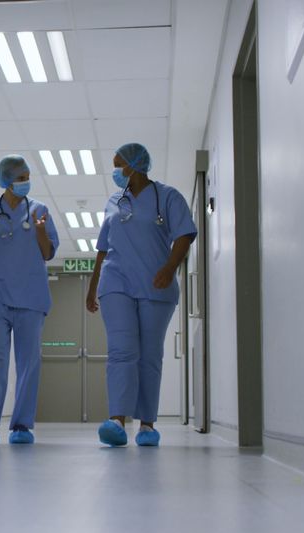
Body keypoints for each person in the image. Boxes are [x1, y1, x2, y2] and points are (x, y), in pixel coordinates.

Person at [86, 143, 197, 447]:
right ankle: (117, 420)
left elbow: (184, 235)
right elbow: (103, 247)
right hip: (115, 281)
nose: (114, 170)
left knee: (149, 356)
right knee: (122, 350)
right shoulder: (114, 200)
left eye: (117, 163)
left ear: (134, 164)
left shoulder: (168, 196)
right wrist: (93, 285)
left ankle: (147, 424)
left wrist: (169, 267)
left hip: (155, 284)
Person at [0, 155, 59, 445]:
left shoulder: (40, 210)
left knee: (29, 361)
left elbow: (47, 253)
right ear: (6, 180)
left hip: (30, 295)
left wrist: (41, 231)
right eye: (20, 178)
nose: (25, 182)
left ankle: (21, 426)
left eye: (28, 177)